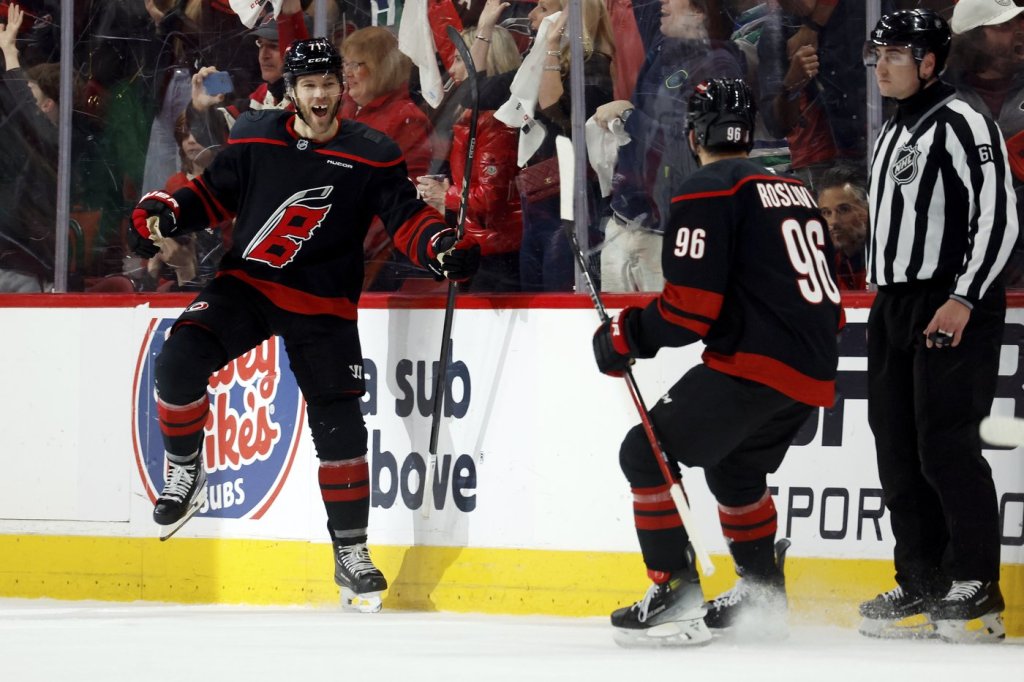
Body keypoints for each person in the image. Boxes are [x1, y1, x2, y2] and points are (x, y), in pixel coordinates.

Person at [128, 38, 480, 612]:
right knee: (177, 362)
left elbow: (406, 217)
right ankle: (186, 472)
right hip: (249, 285)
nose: (320, 95)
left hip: (323, 303)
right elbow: (212, 197)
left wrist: (439, 246)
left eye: (329, 84)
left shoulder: (372, 151)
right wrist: (166, 212)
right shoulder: (255, 135)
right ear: (292, 92)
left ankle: (351, 551)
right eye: (309, 85)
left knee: (341, 430)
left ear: (342, 89)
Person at [592, 79, 841, 646]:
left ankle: (674, 591)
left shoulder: (707, 188)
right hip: (813, 367)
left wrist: (626, 334)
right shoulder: (792, 189)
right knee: (735, 469)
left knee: (644, 452)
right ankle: (761, 595)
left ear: (693, 135)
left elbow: (689, 312)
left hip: (757, 363)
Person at [858, 9, 1018, 644]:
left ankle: (974, 582)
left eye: (896, 55)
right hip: (894, 306)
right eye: (878, 55)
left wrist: (963, 298)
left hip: (950, 302)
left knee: (946, 445)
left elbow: (998, 218)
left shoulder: (963, 120)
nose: (882, 66)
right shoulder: (892, 128)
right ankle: (921, 580)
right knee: (897, 447)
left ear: (929, 62)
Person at [593, 0, 744, 292]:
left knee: (665, 319)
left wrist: (628, 116)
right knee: (617, 316)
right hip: (627, 218)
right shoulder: (663, 50)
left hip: (670, 230)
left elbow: (694, 146)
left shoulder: (719, 65)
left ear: (699, 11)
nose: (661, 2)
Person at [514, 0, 615, 292]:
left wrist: (551, 44)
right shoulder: (559, 63)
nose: (532, 15)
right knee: (532, 292)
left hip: (573, 199)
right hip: (542, 199)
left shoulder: (594, 64)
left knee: (557, 290)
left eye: (545, 8)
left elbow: (554, 108)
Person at [417, 25, 523, 292]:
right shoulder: (471, 119)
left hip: (496, 253)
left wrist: (447, 195)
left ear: (486, 62)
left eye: (458, 60)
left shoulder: (497, 123)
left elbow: (489, 198)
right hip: (476, 244)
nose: (452, 70)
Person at [338, 25, 435, 290]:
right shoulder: (343, 111)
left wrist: (353, 243)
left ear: (382, 67)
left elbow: (400, 199)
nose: (347, 72)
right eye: (345, 63)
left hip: (376, 257)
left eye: (356, 64)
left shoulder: (406, 119)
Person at [816, 165, 867, 291]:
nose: (833, 221)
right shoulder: (826, 264)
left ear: (866, 210)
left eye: (844, 210)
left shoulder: (887, 261)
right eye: (826, 212)